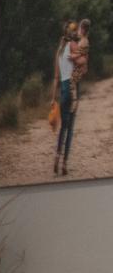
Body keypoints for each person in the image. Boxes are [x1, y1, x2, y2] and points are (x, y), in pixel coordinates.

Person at [53, 21, 78, 175]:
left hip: (62, 89)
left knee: (63, 126)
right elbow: (79, 66)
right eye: (73, 30)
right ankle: (64, 164)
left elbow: (56, 77)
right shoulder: (73, 46)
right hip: (72, 87)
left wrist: (52, 98)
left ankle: (56, 157)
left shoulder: (59, 51)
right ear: (70, 33)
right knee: (70, 128)